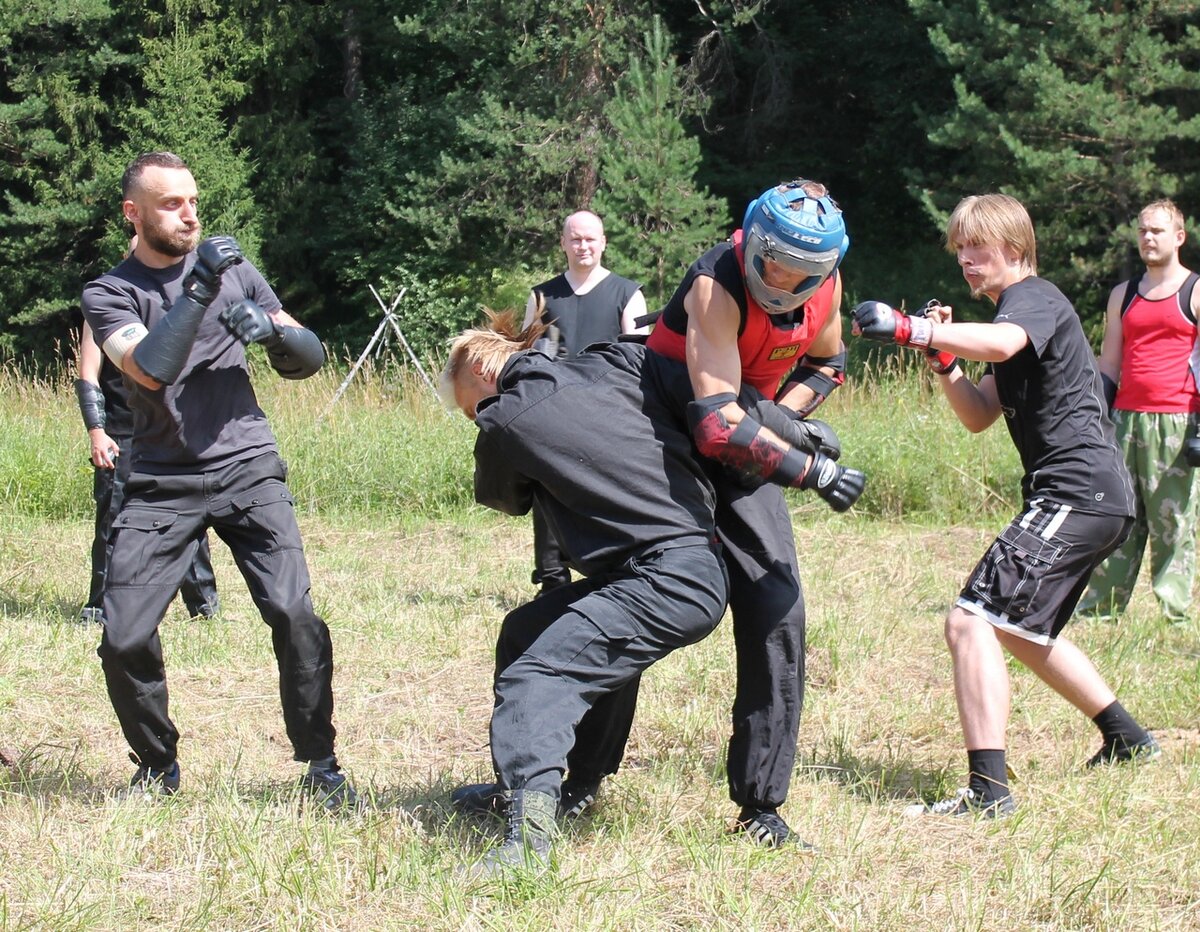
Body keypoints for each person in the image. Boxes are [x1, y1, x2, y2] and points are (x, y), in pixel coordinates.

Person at [440, 310, 858, 873]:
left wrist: (498, 428)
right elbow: (698, 384)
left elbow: (505, 498)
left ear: (482, 373)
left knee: (539, 676)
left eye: (471, 408)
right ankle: (572, 784)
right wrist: (792, 432)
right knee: (530, 631)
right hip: (685, 563)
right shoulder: (614, 363)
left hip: (670, 571)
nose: (477, 419)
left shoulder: (504, 417)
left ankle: (528, 843)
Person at [852, 193, 1159, 819]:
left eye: (977, 246)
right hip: (1092, 497)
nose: (966, 259)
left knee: (970, 621)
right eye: (960, 248)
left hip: (1078, 492)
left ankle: (989, 793)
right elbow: (979, 415)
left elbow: (1000, 341)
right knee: (1022, 631)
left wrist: (916, 328)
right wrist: (941, 362)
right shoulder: (1015, 317)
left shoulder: (1034, 300)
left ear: (1014, 249)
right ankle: (1127, 737)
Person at [80, 151, 357, 809]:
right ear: (134, 213)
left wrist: (272, 334)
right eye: (172, 203)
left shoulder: (236, 271)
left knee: (294, 612)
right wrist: (200, 289)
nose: (190, 214)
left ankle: (320, 762)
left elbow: (308, 356)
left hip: (246, 464)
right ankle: (157, 765)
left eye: (193, 201)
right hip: (158, 478)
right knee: (122, 634)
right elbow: (149, 370)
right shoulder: (110, 292)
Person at [600, 178, 857, 847]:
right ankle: (573, 782)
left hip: (748, 439)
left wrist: (778, 420)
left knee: (779, 605)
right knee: (633, 597)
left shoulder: (825, 289)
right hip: (660, 427)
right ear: (756, 244)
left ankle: (761, 808)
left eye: (807, 271)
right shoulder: (716, 282)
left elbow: (829, 365)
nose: (788, 280)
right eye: (777, 264)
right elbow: (714, 426)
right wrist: (808, 466)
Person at [1076, 198, 1200, 623]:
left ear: (1178, 237)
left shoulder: (1195, 291)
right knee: (1116, 517)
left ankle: (1174, 614)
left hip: (1178, 422)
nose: (1148, 237)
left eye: (1158, 231)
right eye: (1143, 230)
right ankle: (1100, 610)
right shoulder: (1122, 295)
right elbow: (1110, 362)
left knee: (1174, 522)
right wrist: (1096, 414)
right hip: (1125, 419)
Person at [520, 210, 649, 594]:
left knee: (609, 493)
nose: (583, 246)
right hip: (552, 413)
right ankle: (552, 578)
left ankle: (613, 572)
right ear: (563, 243)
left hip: (610, 413)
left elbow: (642, 360)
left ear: (604, 242)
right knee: (547, 491)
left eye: (590, 239)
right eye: (575, 239)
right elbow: (528, 356)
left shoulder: (628, 294)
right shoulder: (541, 296)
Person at [76, 279, 220, 624]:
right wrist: (97, 431)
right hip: (121, 432)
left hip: (173, 431)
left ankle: (203, 607)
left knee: (190, 518)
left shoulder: (177, 305)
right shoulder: (105, 304)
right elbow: (87, 374)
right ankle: (100, 605)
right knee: (112, 518)